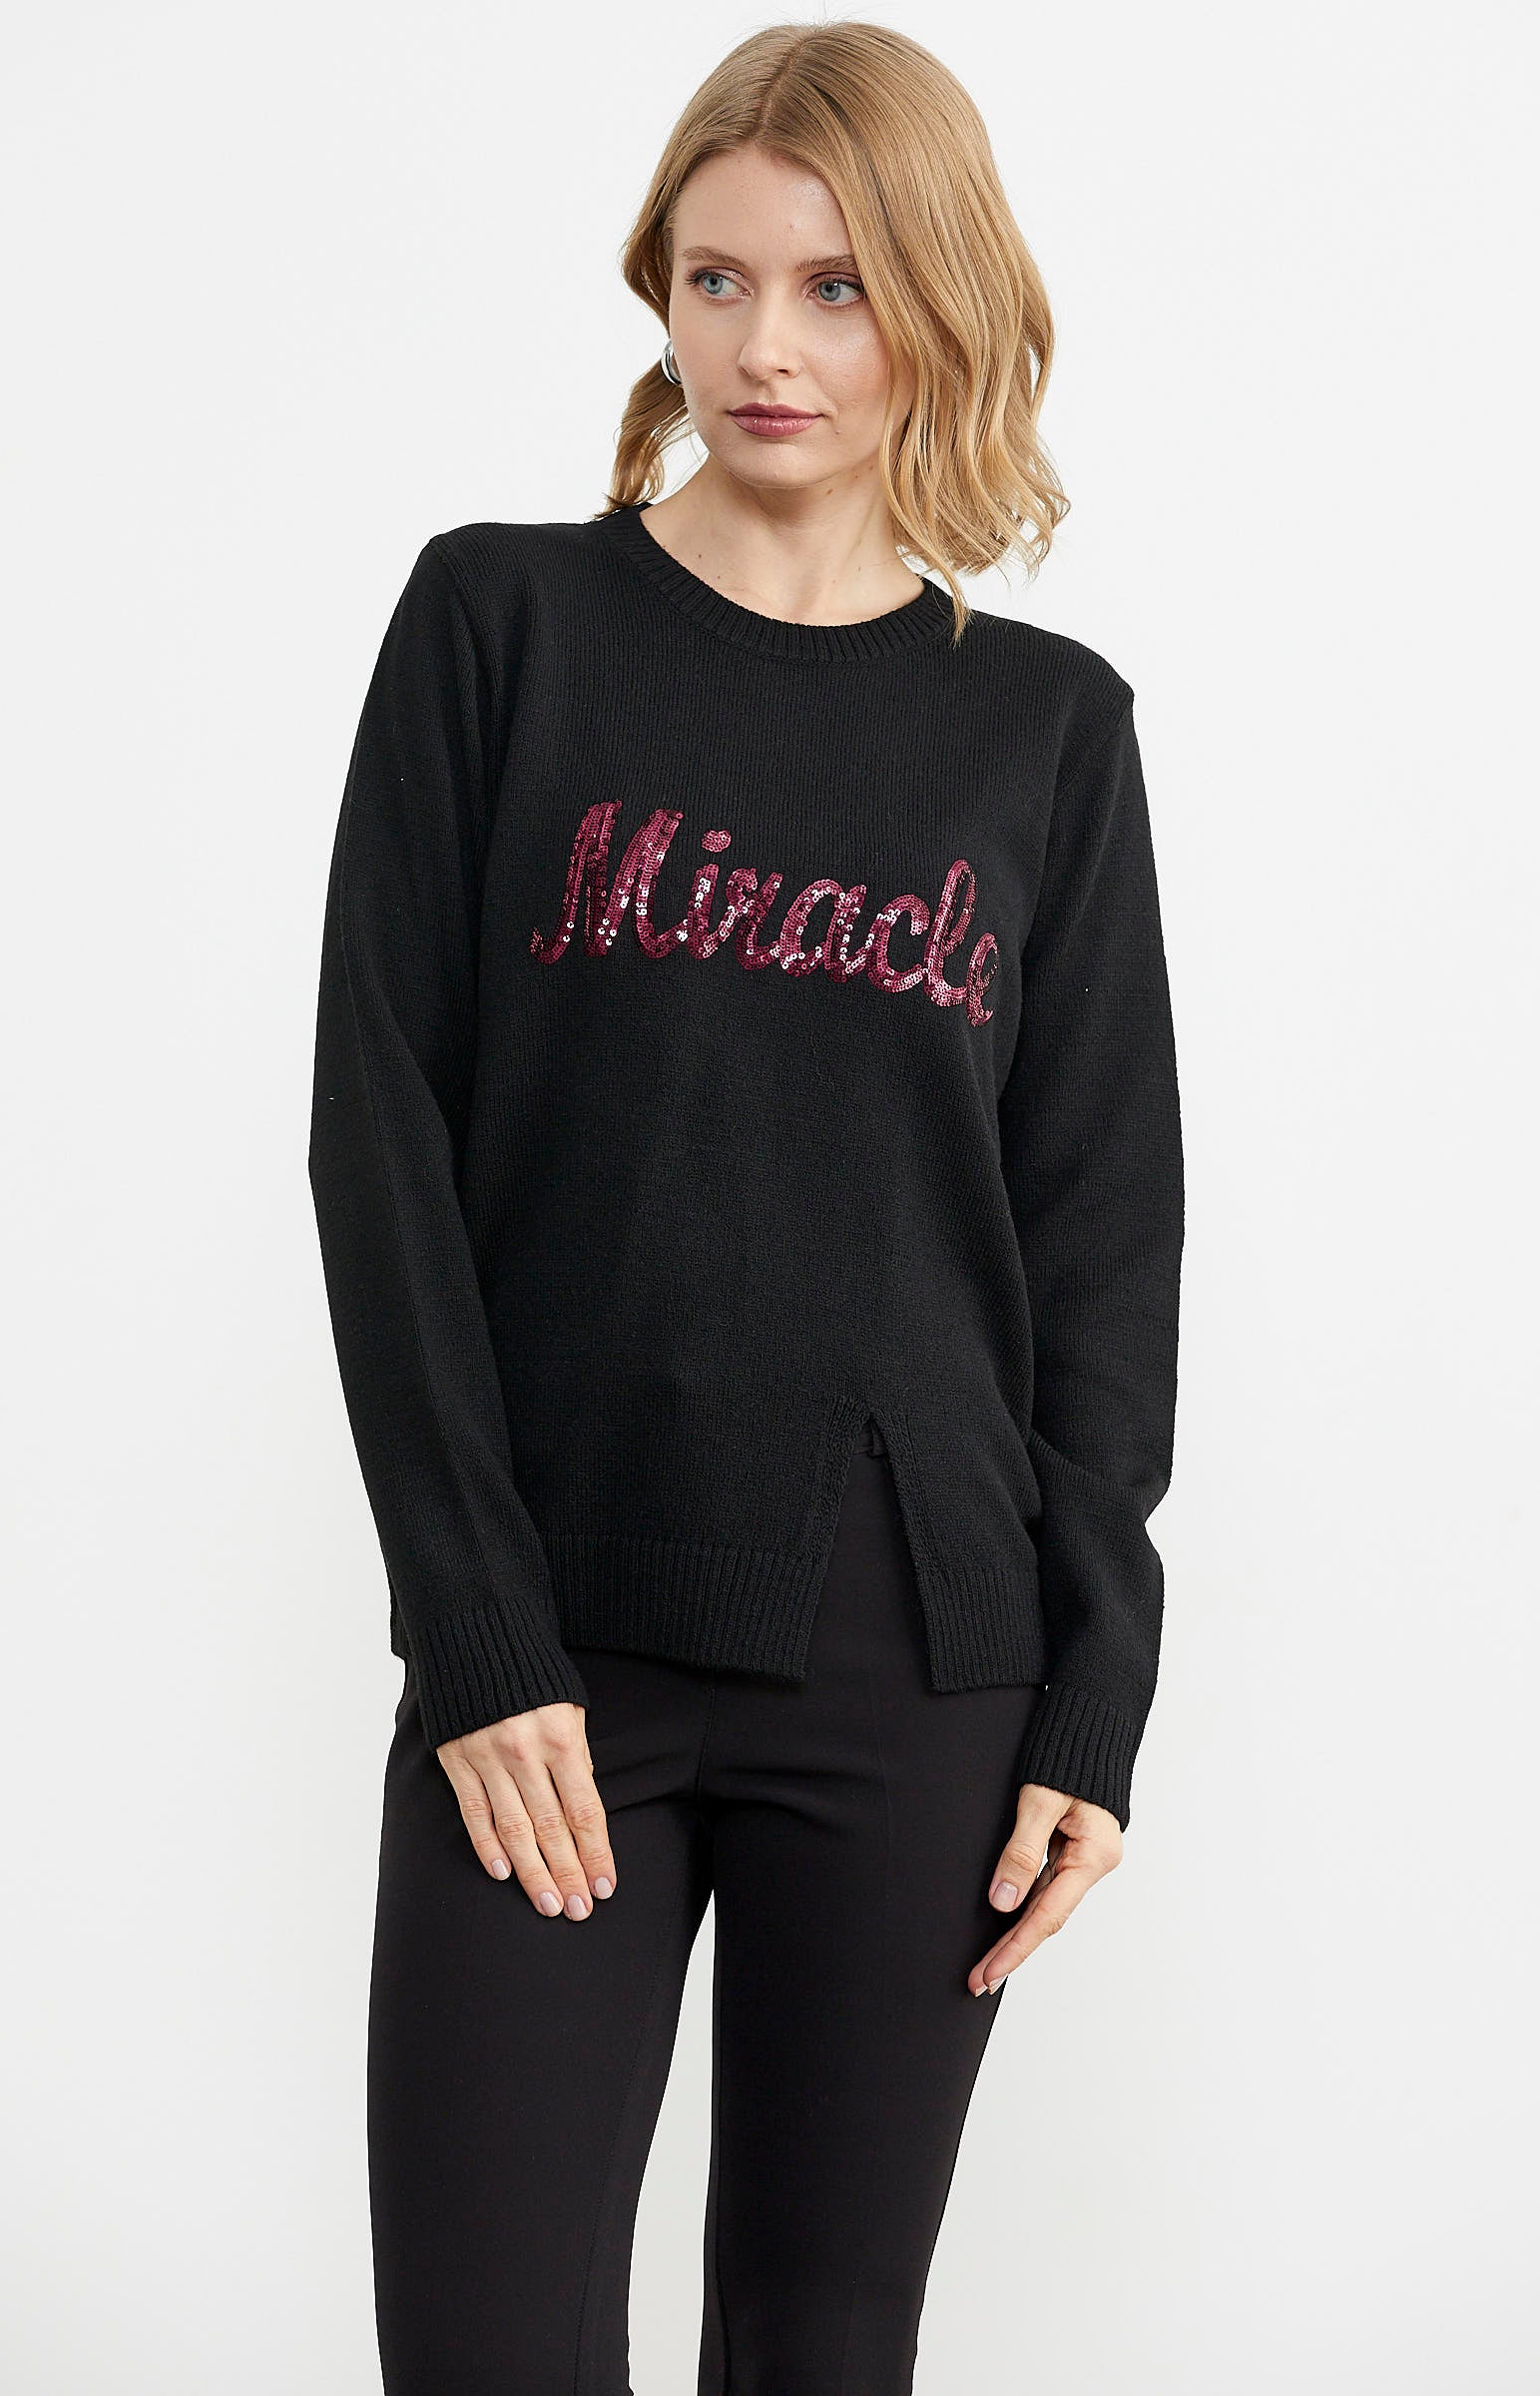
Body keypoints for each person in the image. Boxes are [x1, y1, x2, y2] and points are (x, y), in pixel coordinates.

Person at [306, 20, 1185, 2393]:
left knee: (819, 2343)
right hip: (552, 1655)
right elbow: (379, 1140)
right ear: (660, 293)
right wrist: (470, 1630)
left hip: (920, 1662)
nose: (762, 347)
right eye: (715, 280)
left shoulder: (1044, 730)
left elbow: (1099, 1235)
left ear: (936, 300)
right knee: (485, 2349)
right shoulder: (499, 626)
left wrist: (1093, 1684)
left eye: (831, 286)